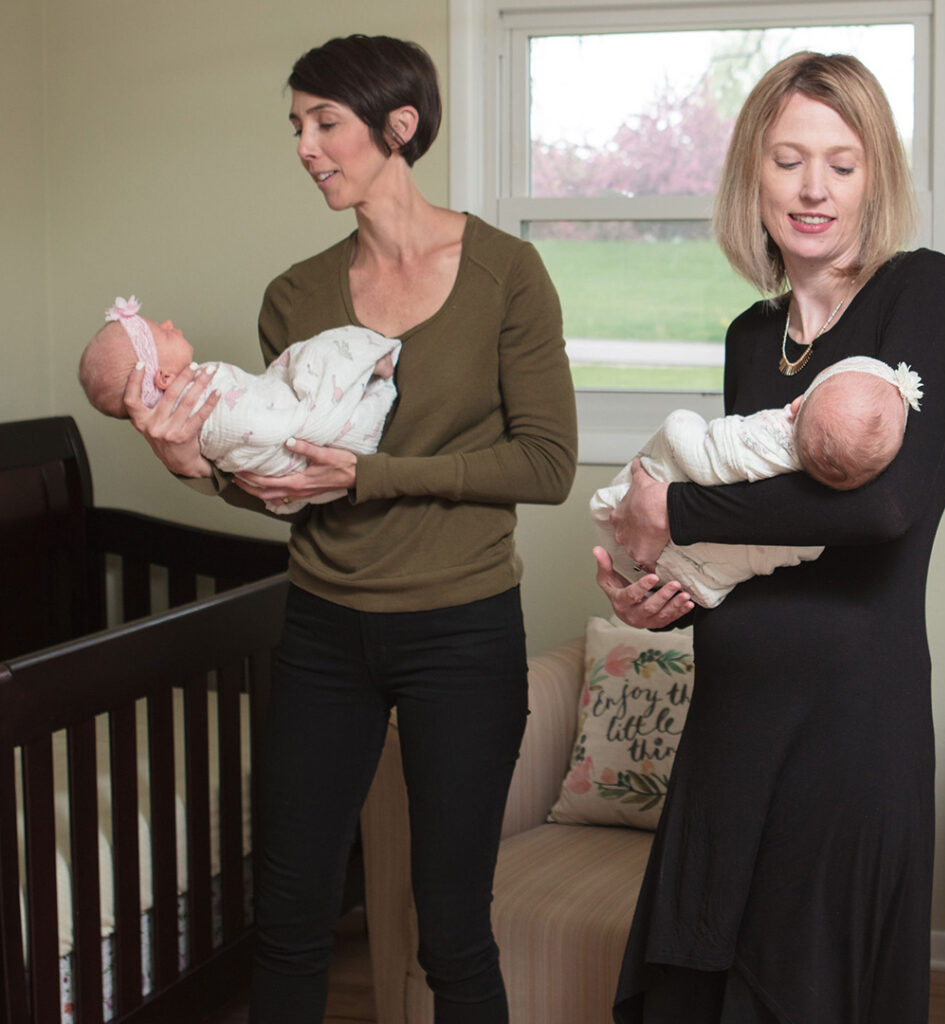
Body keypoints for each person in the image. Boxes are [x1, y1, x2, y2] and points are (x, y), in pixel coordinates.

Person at [116, 33, 576, 1024]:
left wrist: (378, 472)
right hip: (324, 630)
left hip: (463, 631)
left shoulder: (507, 273)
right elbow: (288, 479)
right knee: (290, 916)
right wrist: (196, 468)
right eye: (296, 127)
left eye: (324, 122)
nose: (305, 146)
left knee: (450, 925)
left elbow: (545, 464)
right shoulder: (296, 295)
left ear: (397, 126)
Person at [596, 52, 945, 1024]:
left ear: (873, 178)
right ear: (750, 176)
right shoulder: (747, 338)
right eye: (789, 159)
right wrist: (670, 587)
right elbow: (762, 535)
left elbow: (879, 510)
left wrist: (671, 513)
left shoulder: (918, 293)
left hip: (848, 734)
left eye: (841, 165)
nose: (813, 189)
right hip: (729, 727)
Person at [591, 354, 922, 607]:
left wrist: (679, 426)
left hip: (649, 536)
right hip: (702, 588)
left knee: (680, 426)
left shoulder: (766, 438)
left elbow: (706, 462)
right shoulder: (816, 532)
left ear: (797, 405)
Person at [78, 295, 401, 512]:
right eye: (162, 335)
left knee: (308, 356)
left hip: (292, 421)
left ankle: (359, 374)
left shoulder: (200, 397)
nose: (168, 324)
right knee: (318, 353)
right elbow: (262, 430)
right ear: (163, 377)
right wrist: (305, 418)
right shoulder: (207, 408)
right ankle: (364, 365)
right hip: (300, 431)